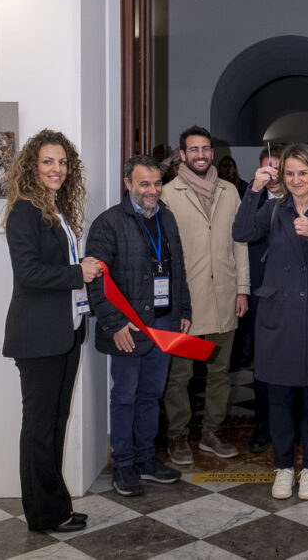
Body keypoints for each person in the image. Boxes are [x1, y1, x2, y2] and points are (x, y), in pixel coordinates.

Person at [232, 143, 308, 501]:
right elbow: (241, 232)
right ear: (281, 177)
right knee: (279, 398)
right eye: (290, 173)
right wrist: (254, 189)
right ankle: (283, 466)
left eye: (303, 173)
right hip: (278, 317)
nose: (296, 180)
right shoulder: (272, 209)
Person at [1, 129, 103, 533]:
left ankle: (56, 506)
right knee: (40, 428)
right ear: (32, 166)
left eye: (62, 162)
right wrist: (79, 272)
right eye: (47, 161)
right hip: (38, 337)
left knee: (56, 423)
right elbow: (28, 274)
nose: (56, 169)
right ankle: (43, 514)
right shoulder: (24, 210)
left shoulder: (53, 209)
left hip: (65, 333)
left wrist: (79, 270)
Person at [86, 155, 191, 497]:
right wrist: (115, 324)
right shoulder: (108, 223)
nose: (152, 190)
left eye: (157, 183)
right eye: (144, 184)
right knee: (125, 396)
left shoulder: (167, 217)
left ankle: (146, 460)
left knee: (151, 394)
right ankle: (124, 464)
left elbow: (178, 269)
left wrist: (183, 309)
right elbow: (96, 281)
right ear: (128, 183)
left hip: (163, 322)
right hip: (128, 327)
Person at [162, 126, 250, 464]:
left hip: (224, 296)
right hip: (187, 302)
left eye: (205, 149)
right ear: (183, 155)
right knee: (180, 375)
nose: (200, 155)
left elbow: (240, 243)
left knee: (219, 372)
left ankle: (212, 432)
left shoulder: (230, 191)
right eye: (193, 150)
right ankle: (178, 434)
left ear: (212, 153)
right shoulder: (169, 194)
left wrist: (242, 289)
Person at [239, 143, 286, 453]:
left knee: (293, 361)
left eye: (278, 168)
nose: (273, 174)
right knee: (263, 362)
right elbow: (240, 235)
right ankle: (262, 423)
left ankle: (289, 423)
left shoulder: (303, 200)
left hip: (294, 295)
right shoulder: (251, 200)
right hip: (260, 293)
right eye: (267, 168)